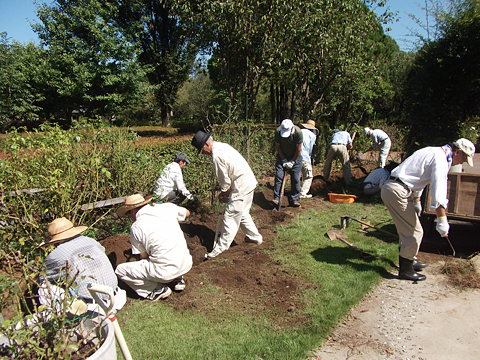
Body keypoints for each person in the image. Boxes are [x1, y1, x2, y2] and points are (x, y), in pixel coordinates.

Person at [381, 138, 475, 281]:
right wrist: (442, 220)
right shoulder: (441, 160)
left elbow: (418, 176)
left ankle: (409, 259)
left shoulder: (433, 151)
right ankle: (406, 271)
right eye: (463, 159)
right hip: (397, 191)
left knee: (407, 229)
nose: (462, 163)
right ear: (458, 152)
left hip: (396, 188)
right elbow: (439, 193)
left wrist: (417, 200)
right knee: (415, 232)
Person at [191, 131, 263, 259]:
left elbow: (225, 181)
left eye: (202, 150)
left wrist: (224, 194)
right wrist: (225, 192)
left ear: (206, 144)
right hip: (248, 181)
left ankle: (220, 249)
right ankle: (255, 238)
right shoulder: (222, 146)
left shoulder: (216, 156)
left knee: (230, 215)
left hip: (241, 185)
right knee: (243, 213)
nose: (203, 153)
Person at [115, 194, 193, 300]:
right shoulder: (165, 207)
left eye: (129, 215)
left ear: (133, 211)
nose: (130, 218)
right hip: (186, 264)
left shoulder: (136, 227)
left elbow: (143, 257)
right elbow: (187, 213)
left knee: (120, 270)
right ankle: (177, 279)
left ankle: (156, 289)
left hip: (165, 271)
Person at [39, 217, 125, 311]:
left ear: (55, 241)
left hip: (91, 308)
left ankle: (54, 317)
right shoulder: (91, 241)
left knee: (43, 287)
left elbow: (43, 278)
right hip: (116, 298)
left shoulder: (56, 254)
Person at [273, 119, 303, 207]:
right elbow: (278, 147)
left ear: (292, 128)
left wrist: (293, 161)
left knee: (296, 179)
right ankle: (277, 198)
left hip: (296, 157)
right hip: (283, 155)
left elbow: (299, 149)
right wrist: (284, 160)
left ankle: (294, 199)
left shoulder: (298, 132)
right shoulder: (278, 131)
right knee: (279, 176)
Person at [299, 120, 319, 199]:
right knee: (308, 176)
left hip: (295, 157)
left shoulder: (299, 131)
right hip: (305, 157)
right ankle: (303, 193)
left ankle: (295, 192)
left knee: (296, 175)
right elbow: (310, 149)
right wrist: (309, 157)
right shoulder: (312, 135)